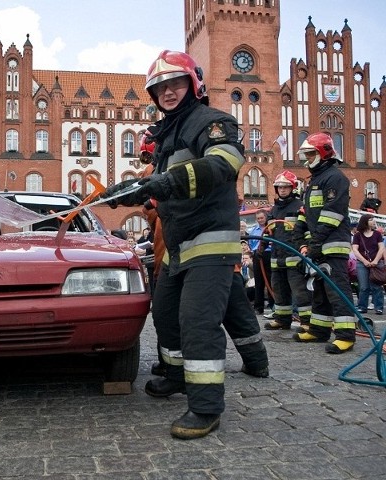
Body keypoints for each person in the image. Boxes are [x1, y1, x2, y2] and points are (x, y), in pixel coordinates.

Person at [104, 51, 268, 439]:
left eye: (175, 83)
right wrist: (126, 192)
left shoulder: (213, 123)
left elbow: (223, 166)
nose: (168, 92)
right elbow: (159, 186)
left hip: (210, 242)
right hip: (177, 247)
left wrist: (162, 183)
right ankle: (176, 376)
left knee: (197, 322)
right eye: (160, 87)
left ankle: (206, 407)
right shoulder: (167, 135)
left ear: (192, 84)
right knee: (164, 317)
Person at [292, 133, 356, 353]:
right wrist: (301, 239)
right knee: (319, 288)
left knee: (337, 289)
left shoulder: (335, 178)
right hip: (319, 245)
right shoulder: (315, 181)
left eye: (310, 154)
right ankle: (319, 330)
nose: (307, 159)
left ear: (323, 153)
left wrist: (314, 244)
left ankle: (346, 335)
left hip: (333, 244)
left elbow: (332, 215)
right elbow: (307, 213)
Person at [263, 171, 312, 331]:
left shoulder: (299, 207)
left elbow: (306, 230)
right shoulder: (274, 209)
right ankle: (282, 319)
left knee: (300, 291)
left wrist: (306, 247)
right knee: (279, 289)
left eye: (286, 187)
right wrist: (263, 244)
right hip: (277, 256)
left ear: (292, 188)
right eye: (280, 187)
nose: (282, 190)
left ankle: (306, 321)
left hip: (294, 255)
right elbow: (269, 230)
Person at [351, 214, 384, 315]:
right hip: (362, 263)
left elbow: (381, 248)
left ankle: (379, 307)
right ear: (365, 222)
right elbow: (355, 250)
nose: (373, 221)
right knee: (363, 287)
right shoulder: (358, 235)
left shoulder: (377, 234)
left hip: (377, 263)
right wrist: (364, 261)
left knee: (377, 286)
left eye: (373, 219)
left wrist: (375, 261)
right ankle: (362, 307)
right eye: (371, 220)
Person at [248, 209, 274, 315]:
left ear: (266, 217)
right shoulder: (254, 231)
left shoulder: (271, 229)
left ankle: (273, 305)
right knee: (259, 282)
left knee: (271, 281)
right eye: (258, 218)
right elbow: (251, 243)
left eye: (262, 218)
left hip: (269, 255)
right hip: (257, 256)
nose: (260, 220)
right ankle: (259, 307)